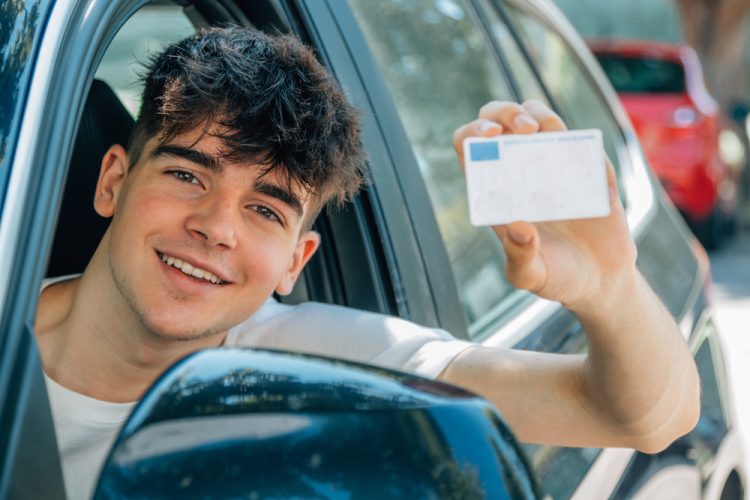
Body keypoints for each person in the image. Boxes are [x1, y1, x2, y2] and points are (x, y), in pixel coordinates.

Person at [34, 26, 700, 500]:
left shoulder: (307, 365)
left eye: (265, 211)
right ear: (113, 181)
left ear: (297, 261)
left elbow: (643, 418)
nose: (214, 229)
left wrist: (608, 289)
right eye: (187, 175)